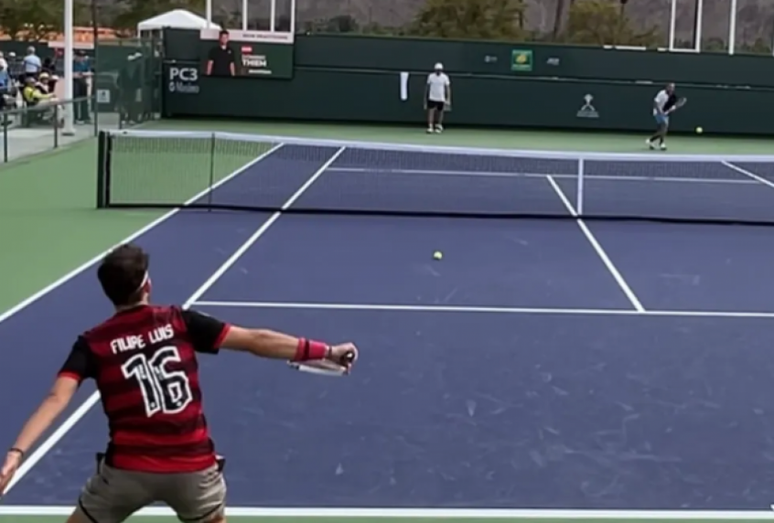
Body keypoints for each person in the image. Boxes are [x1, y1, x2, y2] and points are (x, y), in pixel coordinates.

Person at [0, 243, 358, 523]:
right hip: (192, 470)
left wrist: (15, 456)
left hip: (126, 473)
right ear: (148, 285)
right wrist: (326, 350)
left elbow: (55, 399)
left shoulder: (92, 343)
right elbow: (257, 339)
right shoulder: (179, 322)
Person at [646, 82, 676, 151]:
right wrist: (659, 111)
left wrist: (672, 108)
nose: (672, 89)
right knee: (664, 128)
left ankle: (652, 141)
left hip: (665, 113)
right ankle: (660, 143)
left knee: (662, 130)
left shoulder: (672, 96)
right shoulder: (661, 93)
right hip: (657, 113)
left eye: (673, 88)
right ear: (667, 87)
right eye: (670, 87)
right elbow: (655, 102)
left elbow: (671, 105)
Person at [424, 62, 451, 134]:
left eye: (440, 70)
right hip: (432, 97)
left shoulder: (445, 77)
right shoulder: (431, 76)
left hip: (441, 98)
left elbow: (447, 88)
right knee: (431, 111)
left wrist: (448, 98)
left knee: (440, 112)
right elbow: (427, 87)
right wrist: (426, 97)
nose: (438, 71)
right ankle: (430, 126)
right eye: (437, 69)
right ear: (435, 70)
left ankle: (439, 125)